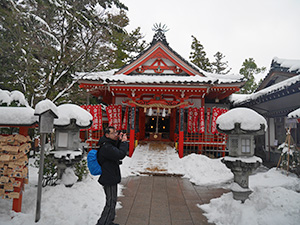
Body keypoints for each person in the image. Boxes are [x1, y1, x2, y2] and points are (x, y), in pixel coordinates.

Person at [96, 126, 128, 225]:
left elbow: (115, 150)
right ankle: (103, 223)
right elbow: (119, 154)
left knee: (112, 201)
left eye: (116, 132)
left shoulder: (108, 145)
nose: (116, 134)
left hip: (110, 176)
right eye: (113, 133)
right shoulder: (106, 147)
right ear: (107, 135)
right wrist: (124, 143)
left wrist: (119, 141)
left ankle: (108, 221)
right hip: (108, 178)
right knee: (110, 202)